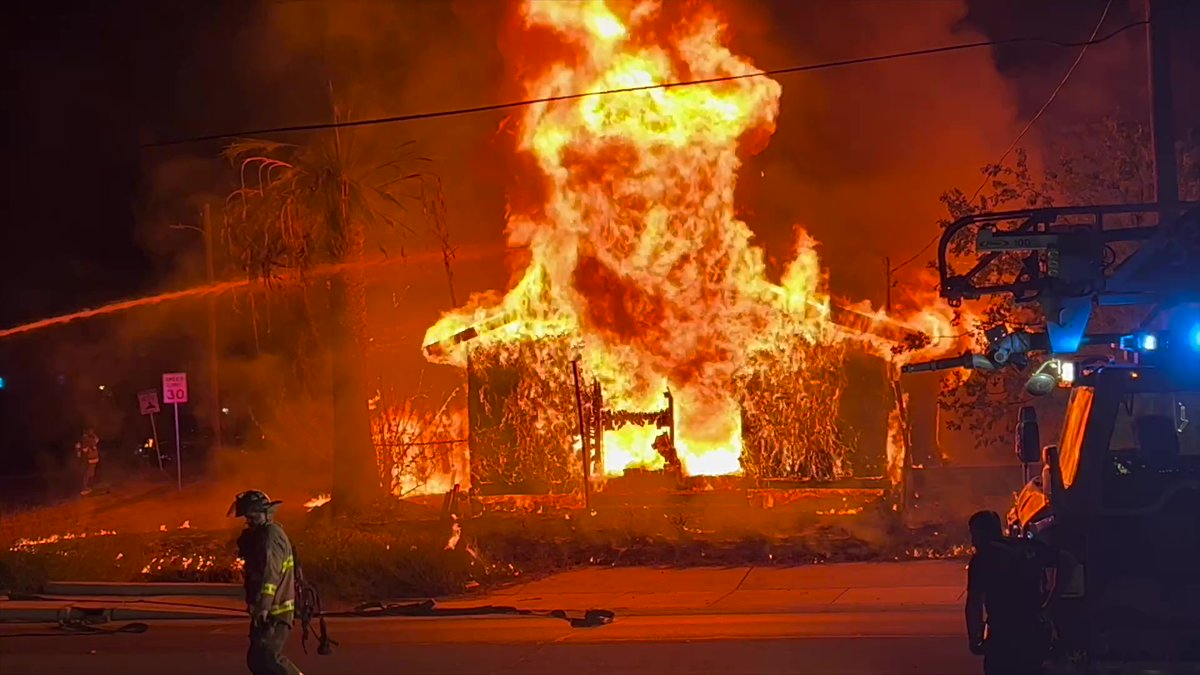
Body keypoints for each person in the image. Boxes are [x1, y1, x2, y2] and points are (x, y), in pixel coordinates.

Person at [965, 510, 1063, 675]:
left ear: (981, 532)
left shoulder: (983, 558)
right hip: (1034, 631)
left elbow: (974, 603)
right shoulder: (1026, 546)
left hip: (1004, 634)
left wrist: (975, 638)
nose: (972, 540)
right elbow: (1067, 560)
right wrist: (1053, 599)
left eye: (974, 534)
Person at [228, 490, 304, 675]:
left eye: (252, 517)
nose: (248, 522)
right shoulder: (263, 535)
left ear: (266, 514)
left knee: (268, 658)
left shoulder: (270, 537)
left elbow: (270, 575)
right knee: (256, 661)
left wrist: (263, 606)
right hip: (267, 611)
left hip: (275, 612)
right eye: (247, 517)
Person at [76, 428, 100, 496]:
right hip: (90, 459)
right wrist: (80, 450)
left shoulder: (90, 439)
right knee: (87, 473)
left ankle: (87, 487)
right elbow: (83, 450)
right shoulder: (86, 440)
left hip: (93, 459)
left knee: (91, 473)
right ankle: (84, 488)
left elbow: (97, 439)